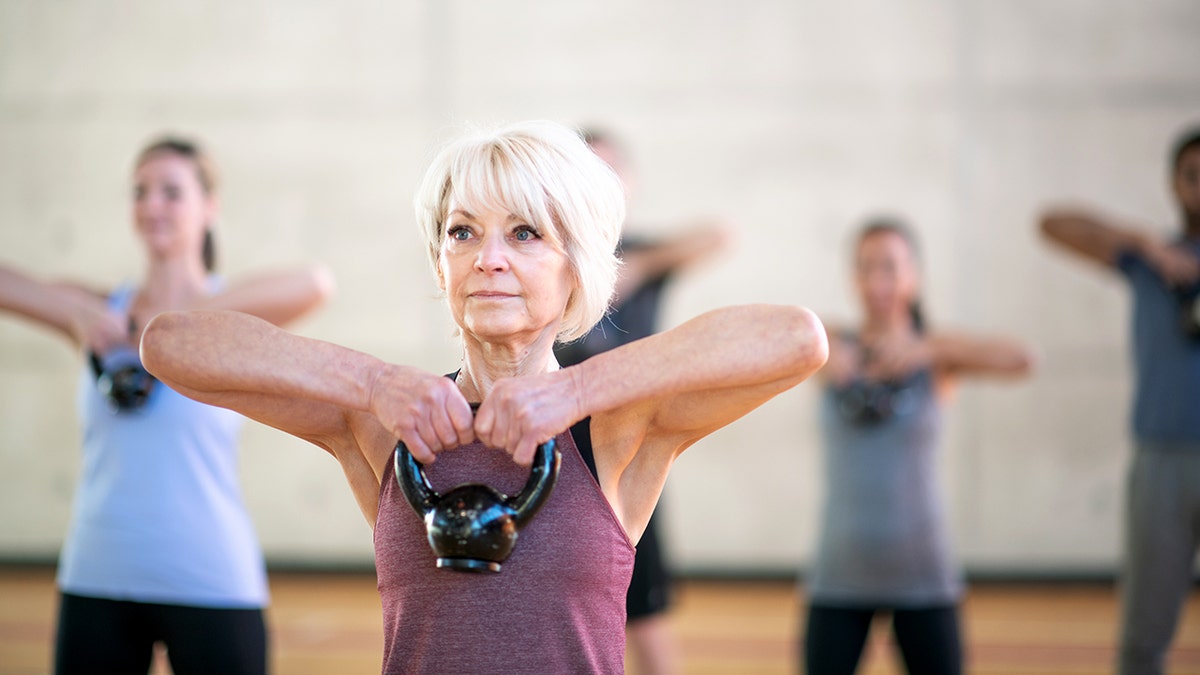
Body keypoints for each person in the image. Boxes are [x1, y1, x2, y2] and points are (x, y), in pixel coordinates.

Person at [139, 120, 829, 674]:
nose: (487, 257)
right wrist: (373, 381)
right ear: (442, 266)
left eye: (525, 233)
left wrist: (577, 388)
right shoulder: (386, 423)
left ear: (576, 266)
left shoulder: (616, 430)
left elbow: (796, 337)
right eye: (462, 232)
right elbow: (170, 343)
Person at [0, 136, 334, 674]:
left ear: (209, 207)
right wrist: (77, 316)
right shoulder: (99, 311)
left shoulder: (225, 319)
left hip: (211, 579)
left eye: (171, 192)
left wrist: (173, 322)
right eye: (141, 191)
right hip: (96, 576)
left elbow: (316, 282)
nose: (152, 204)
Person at [804, 218, 1032, 675]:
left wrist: (929, 349)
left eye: (890, 267)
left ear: (914, 276)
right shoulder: (826, 346)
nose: (877, 282)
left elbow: (1023, 360)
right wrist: (814, 347)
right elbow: (766, 340)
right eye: (866, 267)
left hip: (923, 572)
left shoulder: (938, 355)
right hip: (840, 572)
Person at [554, 128, 732, 675]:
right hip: (558, 453)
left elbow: (718, 234)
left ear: (628, 183)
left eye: (610, 172)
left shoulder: (644, 254)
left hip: (629, 456)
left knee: (645, 610)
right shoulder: (553, 254)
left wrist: (638, 267)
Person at [1039, 126, 1200, 675]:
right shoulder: (1151, 262)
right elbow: (1053, 224)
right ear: (1174, 184)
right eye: (1192, 175)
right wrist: (1146, 243)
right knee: (1143, 638)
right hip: (1161, 460)